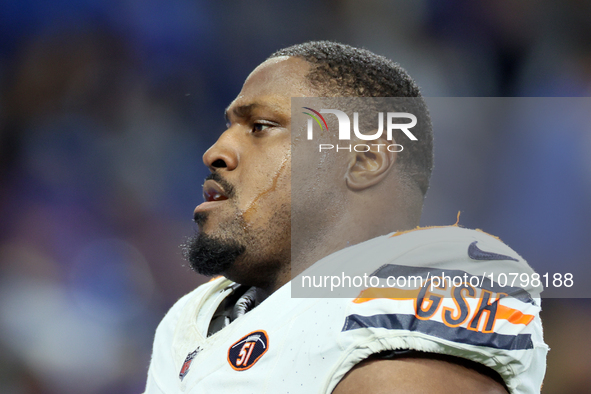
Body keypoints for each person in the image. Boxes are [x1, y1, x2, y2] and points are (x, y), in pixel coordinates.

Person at [144, 41, 547, 393]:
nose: (215, 151)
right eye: (229, 126)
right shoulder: (193, 316)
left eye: (261, 127)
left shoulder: (421, 289)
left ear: (364, 160)